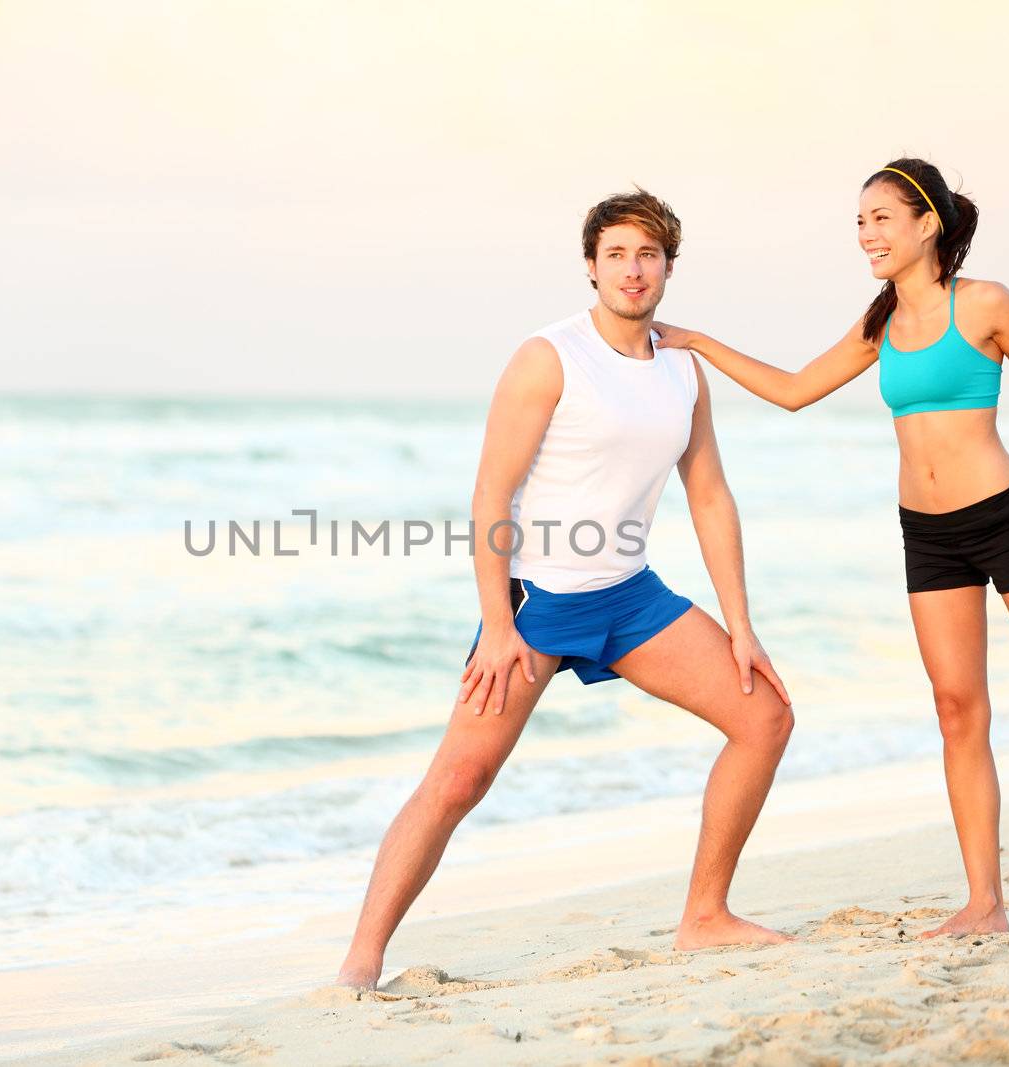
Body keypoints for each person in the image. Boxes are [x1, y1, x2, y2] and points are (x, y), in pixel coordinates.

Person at [652, 158, 1009, 938]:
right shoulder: (879, 323)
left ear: (928, 224)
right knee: (957, 711)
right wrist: (699, 341)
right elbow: (794, 389)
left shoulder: (984, 304)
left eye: (880, 218)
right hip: (929, 535)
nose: (866, 235)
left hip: (1003, 516)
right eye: (859, 222)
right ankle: (985, 902)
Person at [336, 189, 796, 991]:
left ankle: (706, 915)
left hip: (630, 596)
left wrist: (742, 624)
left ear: (668, 268)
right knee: (458, 780)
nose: (633, 269)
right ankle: (361, 959)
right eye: (616, 254)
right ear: (591, 266)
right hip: (537, 602)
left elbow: (710, 493)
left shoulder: (685, 369)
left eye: (648, 254)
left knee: (765, 715)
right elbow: (490, 496)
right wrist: (497, 624)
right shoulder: (549, 356)